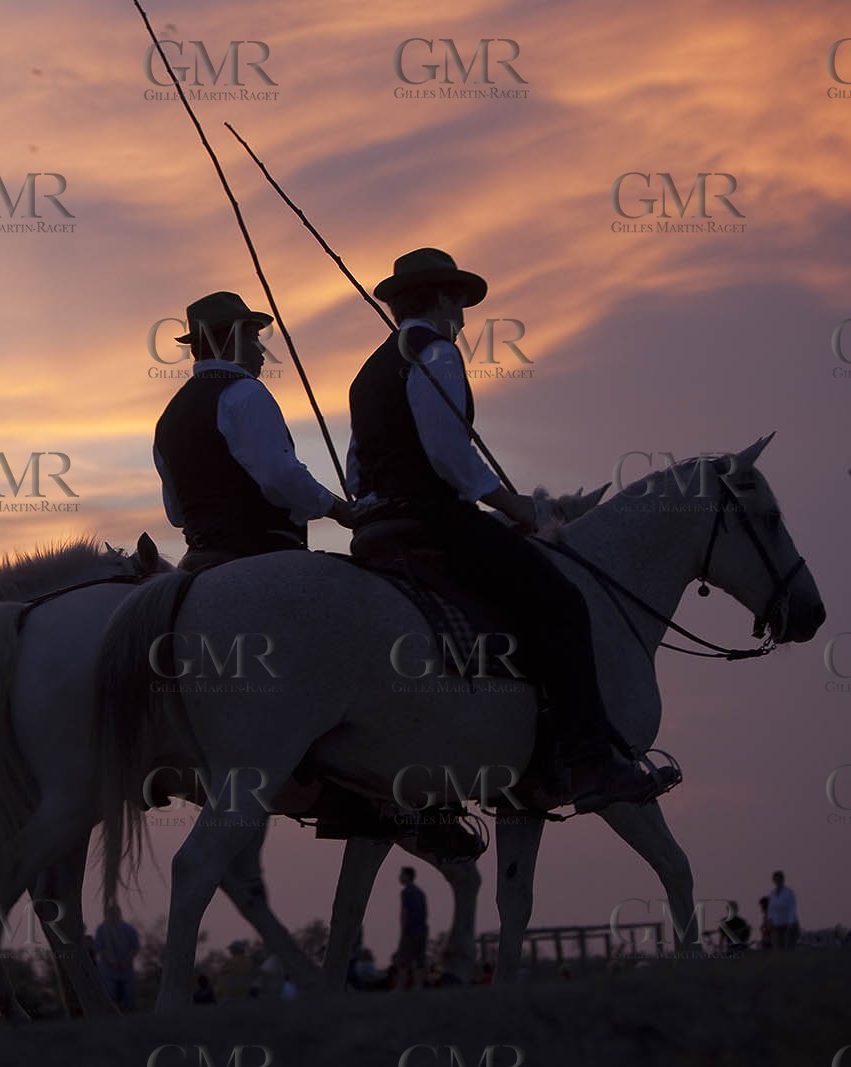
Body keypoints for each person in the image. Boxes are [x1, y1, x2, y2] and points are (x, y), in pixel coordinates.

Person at [346, 248, 673, 814]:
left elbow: (356, 469)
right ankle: (591, 761)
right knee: (563, 601)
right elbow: (450, 454)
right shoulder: (437, 353)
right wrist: (513, 506)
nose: (466, 317)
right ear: (444, 298)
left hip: (376, 531)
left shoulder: (366, 372)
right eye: (460, 303)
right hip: (436, 524)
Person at [153, 291, 352, 574]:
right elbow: (280, 476)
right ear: (232, 340)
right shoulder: (245, 392)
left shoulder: (169, 415)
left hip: (196, 563)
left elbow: (176, 513)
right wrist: (338, 509)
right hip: (261, 555)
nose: (261, 351)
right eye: (253, 338)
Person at [93, 904, 141, 1009]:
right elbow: (99, 948)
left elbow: (136, 948)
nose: (113, 915)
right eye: (111, 913)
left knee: (128, 999)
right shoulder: (101, 930)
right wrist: (111, 961)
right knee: (110, 998)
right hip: (108, 972)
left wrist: (125, 961)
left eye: (115, 913)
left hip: (126, 970)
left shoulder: (129, 929)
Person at [394, 867, 428, 990]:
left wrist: (402, 933)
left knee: (404, 961)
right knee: (419, 961)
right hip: (422, 930)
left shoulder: (406, 892)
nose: (400, 877)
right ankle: (418, 987)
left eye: (402, 875)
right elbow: (425, 912)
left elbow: (404, 912)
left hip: (410, 931)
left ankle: (399, 987)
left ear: (407, 876)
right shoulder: (420, 893)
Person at [766, 870, 799, 950]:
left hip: (788, 925)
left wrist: (790, 923)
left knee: (788, 947)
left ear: (782, 880)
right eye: (776, 880)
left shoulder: (789, 893)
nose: (778, 881)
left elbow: (792, 908)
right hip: (776, 925)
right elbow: (770, 909)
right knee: (778, 947)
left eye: (779, 879)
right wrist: (769, 921)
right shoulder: (772, 894)